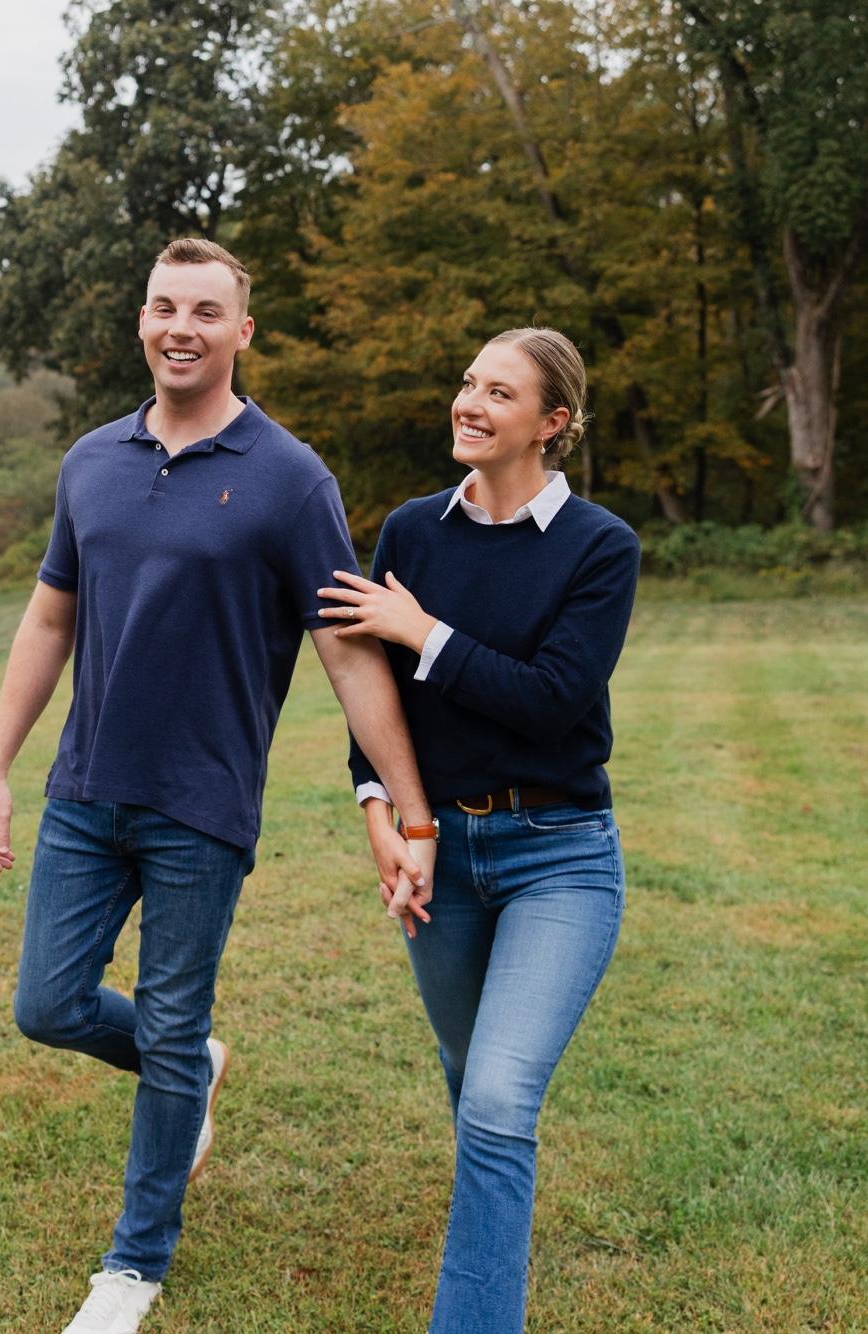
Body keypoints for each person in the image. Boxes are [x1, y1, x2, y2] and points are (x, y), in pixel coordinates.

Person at [0, 237, 435, 1334]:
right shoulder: (91, 460)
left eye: (206, 311)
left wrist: (409, 809)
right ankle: (196, 1065)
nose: (181, 328)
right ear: (142, 320)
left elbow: (347, 654)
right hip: (86, 788)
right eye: (164, 307)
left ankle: (131, 1268)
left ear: (241, 331)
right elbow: (49, 617)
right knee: (47, 1004)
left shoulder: (289, 477)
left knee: (169, 1024)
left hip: (203, 804)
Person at [318, 327, 640, 1333]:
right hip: (438, 859)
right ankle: (493, 1227)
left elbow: (549, 701)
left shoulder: (600, 546)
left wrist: (423, 630)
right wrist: (379, 808)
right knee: (473, 1084)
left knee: (498, 1100)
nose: (469, 402)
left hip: (559, 855)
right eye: (467, 382)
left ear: (551, 422)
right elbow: (373, 695)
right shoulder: (411, 532)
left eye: (499, 392)